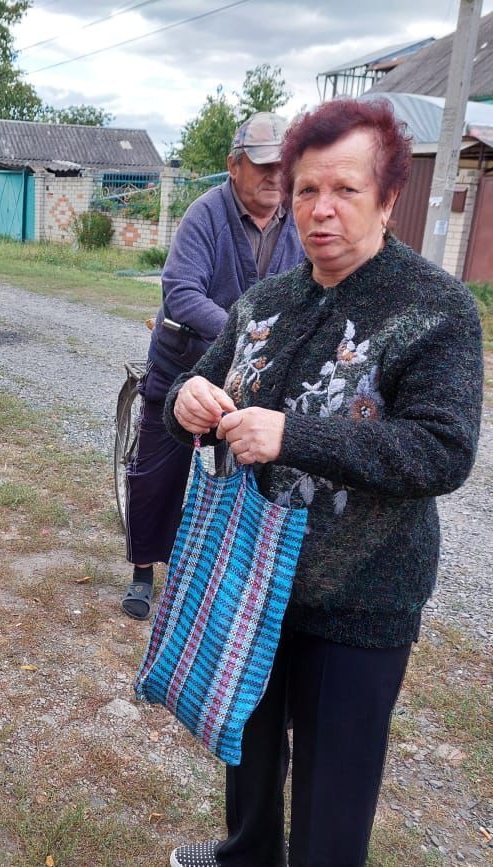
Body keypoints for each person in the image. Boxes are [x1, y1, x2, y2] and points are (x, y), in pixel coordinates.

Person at [165, 97, 483, 867]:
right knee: (249, 741)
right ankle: (246, 854)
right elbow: (198, 388)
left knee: (331, 795)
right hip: (254, 579)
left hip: (361, 597)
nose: (321, 209)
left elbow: (442, 450)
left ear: (387, 197)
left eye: (345, 188)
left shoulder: (434, 308)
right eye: (306, 189)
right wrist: (186, 401)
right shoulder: (265, 302)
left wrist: (294, 435)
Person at [121, 112, 304, 620]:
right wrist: (249, 332)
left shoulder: (297, 221)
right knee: (158, 472)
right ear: (234, 164)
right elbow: (181, 292)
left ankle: (238, 573)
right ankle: (143, 569)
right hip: (184, 361)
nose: (275, 177)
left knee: (263, 468)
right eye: (263, 165)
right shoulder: (205, 214)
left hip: (256, 373)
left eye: (283, 166)